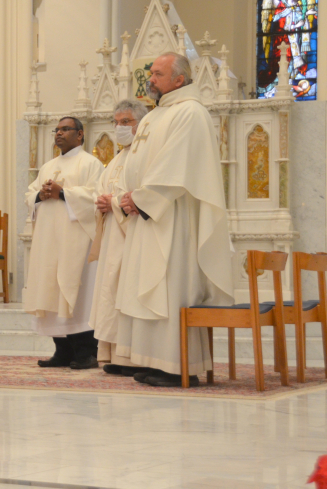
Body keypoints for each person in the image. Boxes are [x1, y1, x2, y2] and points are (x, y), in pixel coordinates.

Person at [116, 52, 233, 387]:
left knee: (169, 287)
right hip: (149, 215)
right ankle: (155, 361)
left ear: (179, 79)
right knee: (150, 287)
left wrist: (142, 199)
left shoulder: (190, 112)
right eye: (150, 73)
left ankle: (178, 365)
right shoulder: (158, 115)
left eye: (157, 73)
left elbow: (176, 167)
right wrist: (129, 194)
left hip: (173, 216)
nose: (150, 79)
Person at [23, 117, 104, 369]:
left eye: (65, 129)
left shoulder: (91, 163)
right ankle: (62, 351)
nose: (59, 133)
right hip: (49, 240)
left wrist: (64, 193)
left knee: (77, 294)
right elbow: (30, 193)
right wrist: (40, 194)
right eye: (56, 130)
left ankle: (86, 353)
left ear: (80, 135)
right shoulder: (48, 166)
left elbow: (95, 196)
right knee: (50, 291)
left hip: (76, 241)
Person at [86, 99, 149, 376]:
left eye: (126, 122)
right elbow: (102, 190)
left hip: (133, 235)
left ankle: (132, 357)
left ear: (141, 124)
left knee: (126, 291)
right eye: (116, 122)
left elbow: (143, 194)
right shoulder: (116, 158)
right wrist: (101, 202)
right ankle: (112, 353)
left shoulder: (145, 154)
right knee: (109, 291)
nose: (120, 127)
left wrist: (112, 202)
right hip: (112, 233)